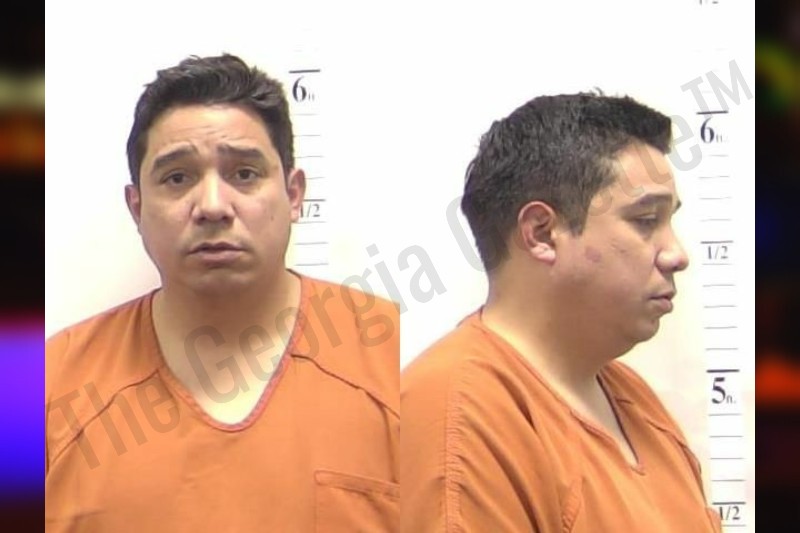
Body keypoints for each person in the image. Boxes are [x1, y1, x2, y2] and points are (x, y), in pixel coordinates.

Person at [45, 54, 399, 532]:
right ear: (137, 207)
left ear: (294, 194)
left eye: (244, 174)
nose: (212, 206)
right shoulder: (40, 391)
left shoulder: (395, 357)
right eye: (177, 178)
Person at [401, 93, 722, 532]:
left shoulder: (634, 400)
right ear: (542, 233)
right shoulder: (460, 417)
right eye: (646, 220)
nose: (677, 254)